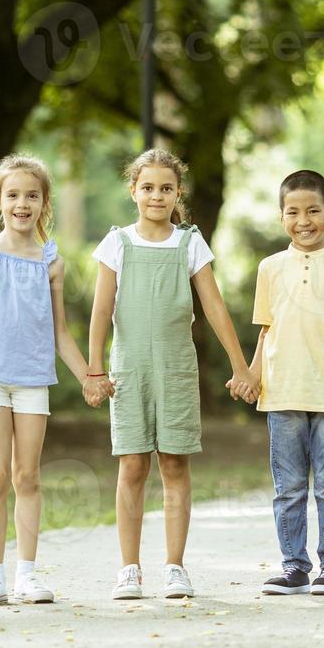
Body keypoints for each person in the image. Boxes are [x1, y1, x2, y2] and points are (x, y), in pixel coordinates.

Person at [0, 154, 111, 607]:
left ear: (44, 202)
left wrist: (91, 376)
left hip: (32, 378)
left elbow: (59, 333)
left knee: (27, 475)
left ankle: (26, 576)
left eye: (32, 195)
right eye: (13, 195)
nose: (22, 203)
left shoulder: (51, 261)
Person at [88, 149, 257, 601]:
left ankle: (175, 567)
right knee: (132, 464)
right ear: (133, 191)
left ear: (177, 192)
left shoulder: (190, 243)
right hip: (129, 371)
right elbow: (101, 310)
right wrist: (93, 369)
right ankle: (128, 569)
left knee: (175, 464)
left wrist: (241, 365)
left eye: (166, 188)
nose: (156, 195)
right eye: (148, 187)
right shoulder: (117, 243)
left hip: (177, 371)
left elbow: (214, 307)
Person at [245, 170, 324, 596]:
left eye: (313, 210)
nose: (304, 220)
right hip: (281, 393)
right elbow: (266, 329)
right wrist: (252, 375)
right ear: (282, 218)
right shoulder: (270, 268)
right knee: (290, 487)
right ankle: (294, 564)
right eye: (293, 212)